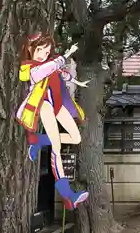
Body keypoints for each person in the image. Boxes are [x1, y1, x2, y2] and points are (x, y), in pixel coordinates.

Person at [16, 32, 90, 210]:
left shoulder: (50, 64)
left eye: (47, 50)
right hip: (44, 105)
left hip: (58, 104)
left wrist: (77, 82)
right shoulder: (30, 69)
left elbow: (61, 74)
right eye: (39, 49)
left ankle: (38, 140)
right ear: (30, 49)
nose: (43, 54)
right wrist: (65, 56)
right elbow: (46, 70)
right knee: (56, 147)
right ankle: (68, 196)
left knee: (76, 138)